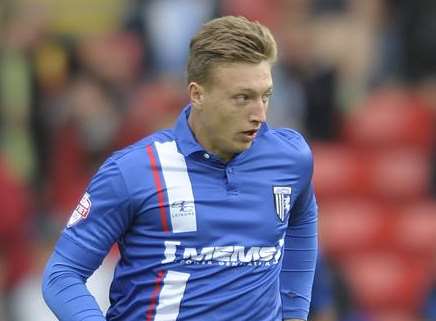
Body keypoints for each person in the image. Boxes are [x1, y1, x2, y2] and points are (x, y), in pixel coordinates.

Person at [42, 16, 318, 321]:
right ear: (197, 94)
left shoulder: (291, 159)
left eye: (265, 96)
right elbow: (62, 274)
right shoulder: (134, 172)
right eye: (243, 98)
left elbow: (301, 226)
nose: (259, 115)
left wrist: (294, 313)